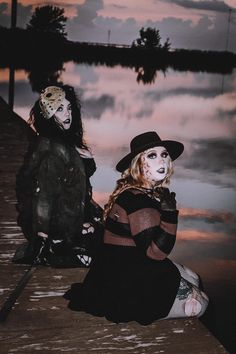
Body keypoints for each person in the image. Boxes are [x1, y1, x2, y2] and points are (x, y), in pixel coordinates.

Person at [64, 131, 209, 323]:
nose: (162, 161)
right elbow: (156, 253)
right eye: (152, 155)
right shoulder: (139, 201)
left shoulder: (135, 190)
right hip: (127, 281)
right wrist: (170, 214)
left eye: (164, 154)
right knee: (203, 303)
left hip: (120, 265)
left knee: (193, 277)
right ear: (138, 164)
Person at [13, 85, 103, 268]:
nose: (67, 114)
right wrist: (42, 238)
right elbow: (43, 195)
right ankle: (58, 247)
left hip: (69, 212)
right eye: (60, 109)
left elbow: (77, 185)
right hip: (54, 222)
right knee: (104, 242)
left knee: (108, 235)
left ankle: (68, 246)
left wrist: (91, 211)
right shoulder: (51, 150)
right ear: (49, 114)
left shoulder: (65, 140)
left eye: (69, 108)